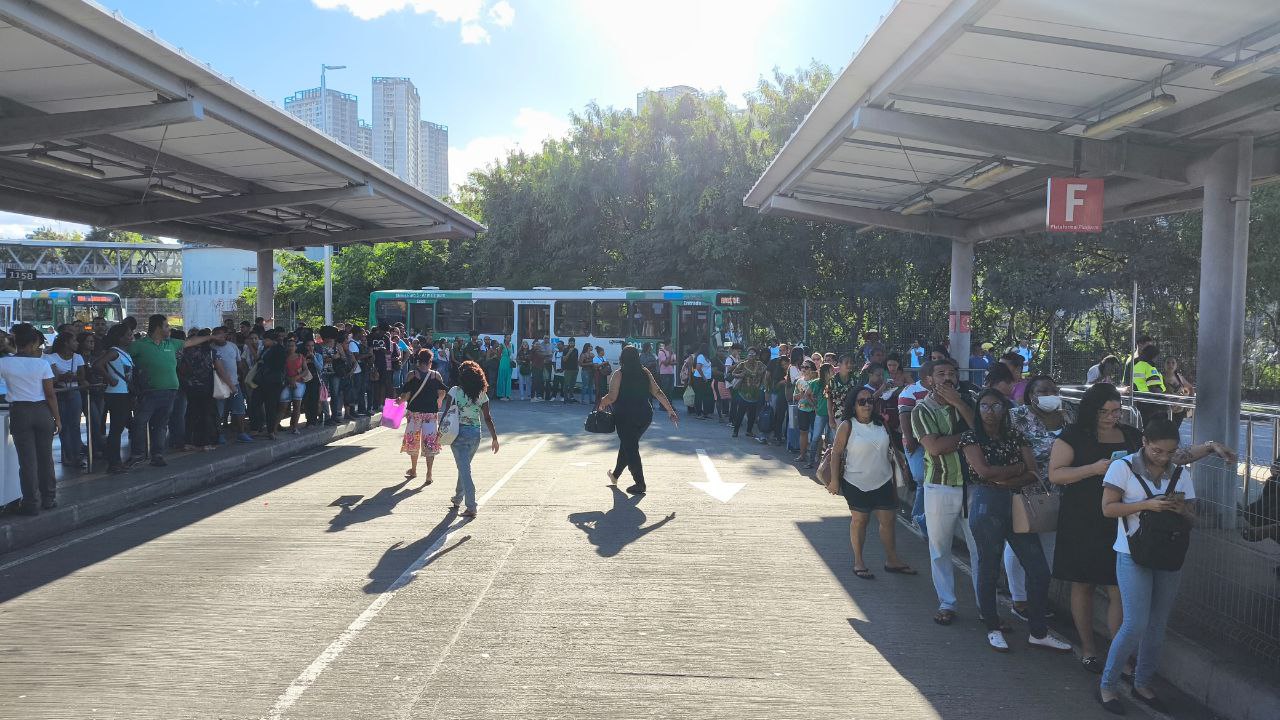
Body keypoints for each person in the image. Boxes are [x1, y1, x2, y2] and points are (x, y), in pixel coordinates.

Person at [1095, 418, 1196, 715]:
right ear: (1144, 443)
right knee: (1135, 623)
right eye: (1157, 451)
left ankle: (1142, 683)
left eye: (1170, 452)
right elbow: (1108, 508)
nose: (1164, 458)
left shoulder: (1180, 472)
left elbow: (1195, 519)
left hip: (1168, 555)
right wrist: (1146, 505)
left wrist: (1182, 510)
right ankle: (1107, 685)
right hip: (1132, 552)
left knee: (1157, 624)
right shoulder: (1122, 467)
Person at [961, 388, 1072, 654]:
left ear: (1004, 409)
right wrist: (1015, 470)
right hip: (987, 505)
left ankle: (1038, 631)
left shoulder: (1015, 434)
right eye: (985, 406)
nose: (991, 412)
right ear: (979, 410)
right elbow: (983, 472)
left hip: (1017, 503)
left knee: (1039, 569)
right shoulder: (970, 436)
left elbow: (1033, 471)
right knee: (988, 566)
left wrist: (1005, 478)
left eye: (996, 406)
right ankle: (992, 627)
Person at [911, 358, 981, 626]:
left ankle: (984, 606)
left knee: (979, 549)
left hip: (972, 485)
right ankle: (947, 602)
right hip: (940, 485)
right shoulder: (921, 410)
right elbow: (935, 447)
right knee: (940, 548)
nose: (947, 377)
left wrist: (960, 405)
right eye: (940, 373)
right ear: (929, 380)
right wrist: (968, 439)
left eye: (952, 373)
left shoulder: (968, 402)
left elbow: (983, 433)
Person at [824, 386, 915, 580]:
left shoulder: (881, 423)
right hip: (855, 481)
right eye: (861, 401)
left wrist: (903, 467)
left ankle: (892, 560)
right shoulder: (847, 425)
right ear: (853, 405)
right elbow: (836, 453)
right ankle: (859, 561)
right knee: (860, 521)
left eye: (870, 401)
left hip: (883, 479)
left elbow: (892, 447)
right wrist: (833, 480)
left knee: (888, 521)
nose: (866, 405)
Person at [1008, 375, 1068, 621]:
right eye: (1043, 390)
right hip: (1027, 488)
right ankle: (1019, 598)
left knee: (1048, 547)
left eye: (1053, 389)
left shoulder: (1068, 415)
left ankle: (1040, 598)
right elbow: (1013, 447)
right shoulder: (1016, 416)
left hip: (1060, 490)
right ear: (1031, 393)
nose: (1049, 393)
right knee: (1019, 544)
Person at [126, 314, 216, 468]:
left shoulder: (171, 344)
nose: (169, 328)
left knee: (161, 425)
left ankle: (157, 455)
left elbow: (191, 341)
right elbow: (122, 358)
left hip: (170, 391)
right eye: (166, 326)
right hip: (149, 392)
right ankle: (138, 454)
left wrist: (210, 337)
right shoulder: (139, 345)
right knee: (140, 422)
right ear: (158, 328)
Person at [598, 345, 680, 495]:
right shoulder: (645, 372)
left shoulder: (619, 374)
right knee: (628, 445)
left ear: (622, 358)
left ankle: (640, 483)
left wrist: (601, 403)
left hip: (625, 416)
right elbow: (658, 392)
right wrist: (670, 410)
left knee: (631, 448)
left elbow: (612, 397)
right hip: (644, 415)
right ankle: (615, 475)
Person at [0, 324, 60, 514]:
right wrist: (57, 419)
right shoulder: (42, 364)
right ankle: (49, 498)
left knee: (27, 461)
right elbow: (50, 395)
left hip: (19, 411)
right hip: (42, 411)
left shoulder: (4, 363)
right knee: (46, 458)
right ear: (34, 342)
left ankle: (31, 503)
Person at [440, 360, 499, 518]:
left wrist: (439, 432)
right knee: (463, 466)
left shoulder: (454, 391)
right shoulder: (482, 394)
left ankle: (471, 506)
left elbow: (448, 412)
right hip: (475, 435)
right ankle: (458, 497)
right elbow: (487, 418)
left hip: (458, 434)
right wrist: (494, 438)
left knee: (465, 470)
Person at [398, 349, 448, 484]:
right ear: (430, 362)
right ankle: (429, 474)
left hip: (414, 413)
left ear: (418, 361)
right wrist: (439, 401)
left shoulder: (411, 375)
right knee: (430, 443)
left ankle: (414, 469)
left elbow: (405, 395)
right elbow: (442, 392)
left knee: (413, 441)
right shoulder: (436, 375)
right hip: (430, 414)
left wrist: (399, 401)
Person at [93, 324, 135, 473]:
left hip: (123, 393)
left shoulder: (124, 352)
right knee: (116, 430)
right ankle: (114, 462)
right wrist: (110, 378)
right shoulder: (114, 352)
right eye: (129, 335)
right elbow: (97, 364)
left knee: (120, 427)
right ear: (120, 337)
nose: (131, 337)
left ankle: (116, 460)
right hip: (116, 393)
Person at [46, 332, 86, 468]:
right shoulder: (51, 357)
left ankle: (75, 454)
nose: (77, 343)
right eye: (74, 340)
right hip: (59, 393)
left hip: (73, 391)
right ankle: (68, 454)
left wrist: (64, 377)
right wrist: (65, 377)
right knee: (64, 425)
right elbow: (54, 377)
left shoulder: (78, 357)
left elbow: (81, 376)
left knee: (74, 425)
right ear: (66, 343)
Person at [211, 326, 252, 443]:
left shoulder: (232, 347)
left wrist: (242, 377)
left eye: (221, 334)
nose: (219, 336)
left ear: (226, 335)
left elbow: (239, 363)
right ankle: (219, 434)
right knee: (219, 412)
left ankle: (241, 433)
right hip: (219, 386)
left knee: (239, 409)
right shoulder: (211, 349)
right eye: (216, 334)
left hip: (235, 384)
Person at [254, 330, 287, 441]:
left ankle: (271, 430)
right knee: (255, 403)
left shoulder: (280, 350)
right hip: (262, 381)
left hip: (273, 382)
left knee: (271, 407)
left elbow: (278, 366)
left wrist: (265, 363)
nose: (263, 341)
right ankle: (258, 427)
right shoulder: (265, 349)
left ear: (272, 340)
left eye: (265, 339)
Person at [729, 347, 767, 440]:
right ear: (747, 355)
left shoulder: (760, 365)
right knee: (740, 413)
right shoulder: (742, 364)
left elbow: (765, 374)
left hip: (755, 393)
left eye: (753, 355)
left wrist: (764, 385)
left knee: (752, 414)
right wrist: (740, 375)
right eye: (750, 354)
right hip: (744, 393)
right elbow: (733, 373)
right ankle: (735, 431)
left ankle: (749, 431)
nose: (751, 356)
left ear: (756, 356)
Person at [805, 362, 835, 468]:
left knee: (831, 439)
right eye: (832, 370)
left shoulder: (834, 382)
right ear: (826, 372)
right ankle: (811, 461)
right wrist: (814, 406)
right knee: (816, 437)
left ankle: (828, 464)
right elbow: (807, 394)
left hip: (833, 414)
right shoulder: (816, 383)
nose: (834, 371)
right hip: (821, 413)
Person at [1131, 343, 1166, 425]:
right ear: (1153, 356)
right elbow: (1154, 388)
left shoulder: (1136, 366)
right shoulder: (1150, 368)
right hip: (1151, 404)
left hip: (1140, 401)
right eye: (1157, 357)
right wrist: (1166, 400)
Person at [279, 336, 306, 435]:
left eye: (292, 346)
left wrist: (296, 378)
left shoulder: (300, 356)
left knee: (297, 406)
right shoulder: (283, 357)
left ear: (296, 347)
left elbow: (305, 370)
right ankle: (275, 427)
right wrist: (289, 380)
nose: (291, 347)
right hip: (286, 383)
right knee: (283, 406)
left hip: (299, 383)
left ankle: (294, 426)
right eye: (289, 346)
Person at [792, 359, 817, 464]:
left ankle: (816, 456)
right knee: (803, 432)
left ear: (812, 369)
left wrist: (810, 397)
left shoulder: (817, 381)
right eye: (802, 367)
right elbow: (795, 396)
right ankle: (802, 455)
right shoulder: (799, 381)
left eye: (806, 367)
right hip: (802, 409)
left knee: (816, 434)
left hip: (814, 410)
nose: (804, 369)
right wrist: (802, 395)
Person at [692, 345, 714, 419]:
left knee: (706, 396)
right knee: (699, 396)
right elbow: (698, 368)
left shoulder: (706, 357)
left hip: (706, 379)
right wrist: (704, 377)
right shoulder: (701, 356)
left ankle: (705, 413)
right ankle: (698, 413)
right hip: (699, 379)